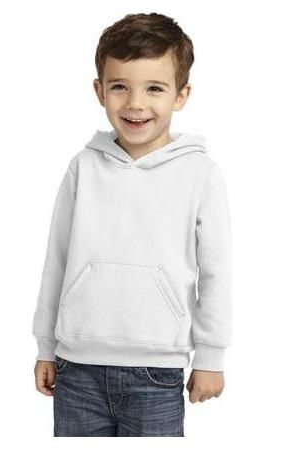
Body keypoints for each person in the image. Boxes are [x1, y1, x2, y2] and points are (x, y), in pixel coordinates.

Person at [32, 12, 232, 437]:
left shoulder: (200, 174)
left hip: (156, 374)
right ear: (99, 91)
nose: (135, 103)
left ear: (181, 95)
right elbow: (57, 260)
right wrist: (46, 346)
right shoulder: (83, 167)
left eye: (154, 88)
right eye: (120, 87)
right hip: (76, 369)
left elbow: (216, 272)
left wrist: (211, 357)